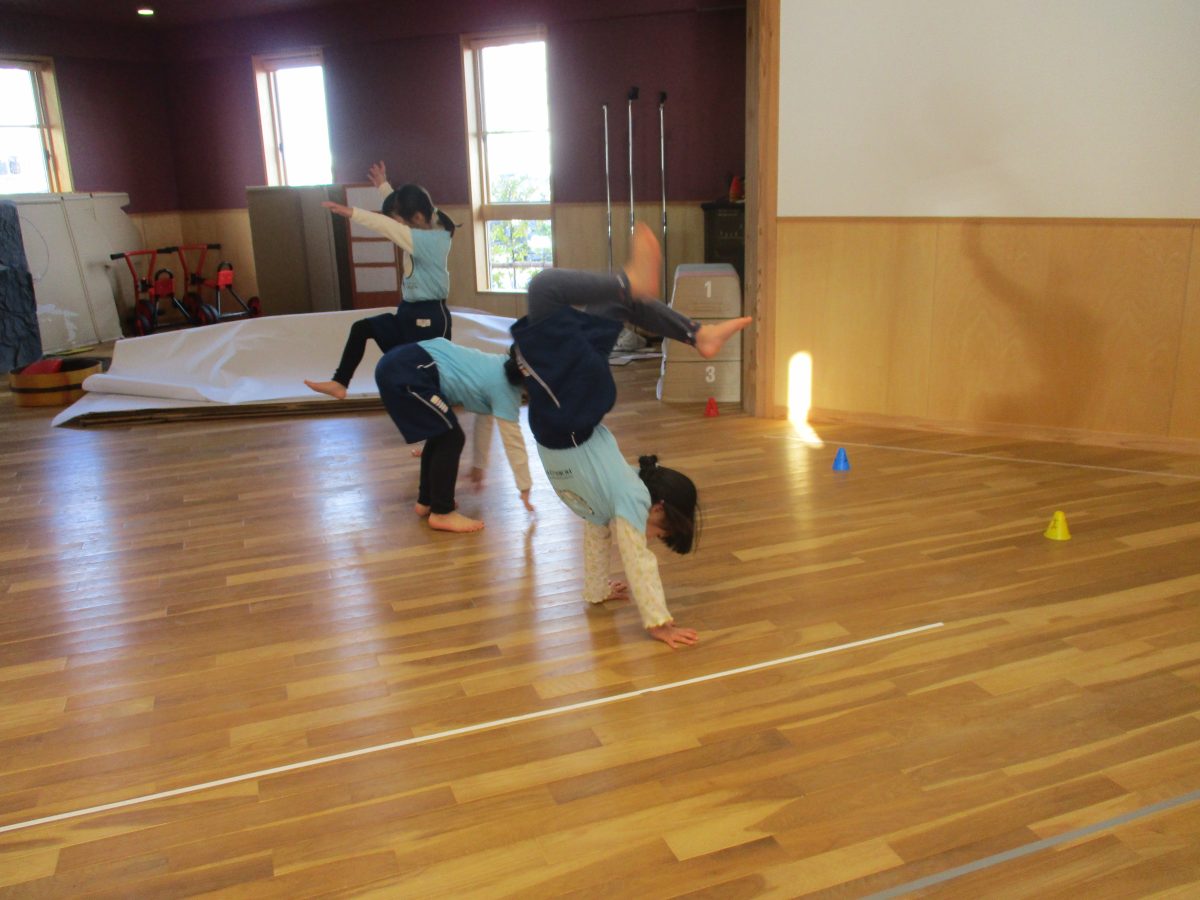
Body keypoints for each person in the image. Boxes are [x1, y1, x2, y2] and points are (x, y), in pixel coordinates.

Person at [509, 223, 751, 648]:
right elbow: (637, 560)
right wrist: (658, 623)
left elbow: (595, 536)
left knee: (589, 297)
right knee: (552, 289)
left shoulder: (606, 504)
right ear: (658, 507)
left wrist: (597, 590)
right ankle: (690, 329)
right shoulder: (632, 499)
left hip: (572, 410)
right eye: (659, 532)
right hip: (569, 413)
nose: (648, 539)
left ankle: (685, 325)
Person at [305, 162, 456, 400]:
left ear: (417, 217)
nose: (398, 226)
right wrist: (384, 187)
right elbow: (406, 210)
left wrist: (351, 212)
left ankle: (439, 402)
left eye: (400, 222)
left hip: (430, 317)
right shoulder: (427, 220)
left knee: (424, 372)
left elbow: (386, 226)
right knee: (362, 328)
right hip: (408, 312)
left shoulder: (428, 241)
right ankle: (340, 382)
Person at [375, 336, 534, 533]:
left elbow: (484, 421)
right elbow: (513, 441)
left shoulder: (496, 366)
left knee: (441, 433)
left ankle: (426, 502)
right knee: (452, 437)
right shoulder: (506, 390)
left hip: (401, 363)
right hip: (408, 371)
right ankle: (442, 513)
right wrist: (525, 486)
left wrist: (479, 465)